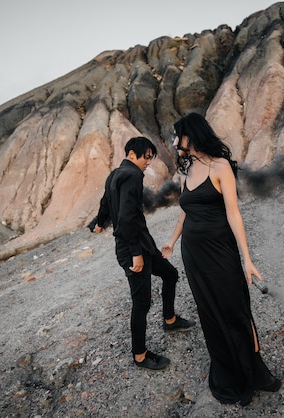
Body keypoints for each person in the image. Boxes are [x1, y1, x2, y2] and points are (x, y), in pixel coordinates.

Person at [161, 113, 281, 405]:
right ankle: (228, 373)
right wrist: (171, 241)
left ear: (191, 135)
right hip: (194, 255)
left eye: (178, 136)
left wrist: (247, 259)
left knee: (236, 309)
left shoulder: (220, 166)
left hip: (220, 250)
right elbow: (185, 212)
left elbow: (234, 213)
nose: (175, 142)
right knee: (211, 313)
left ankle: (256, 373)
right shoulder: (185, 172)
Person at [88, 136, 195, 371]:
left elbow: (106, 202)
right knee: (141, 302)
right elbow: (126, 217)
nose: (148, 162)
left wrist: (98, 223)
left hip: (141, 245)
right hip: (133, 248)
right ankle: (139, 355)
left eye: (151, 157)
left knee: (170, 274)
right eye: (145, 157)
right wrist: (136, 253)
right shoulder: (133, 176)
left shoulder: (114, 174)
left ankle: (170, 320)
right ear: (132, 155)